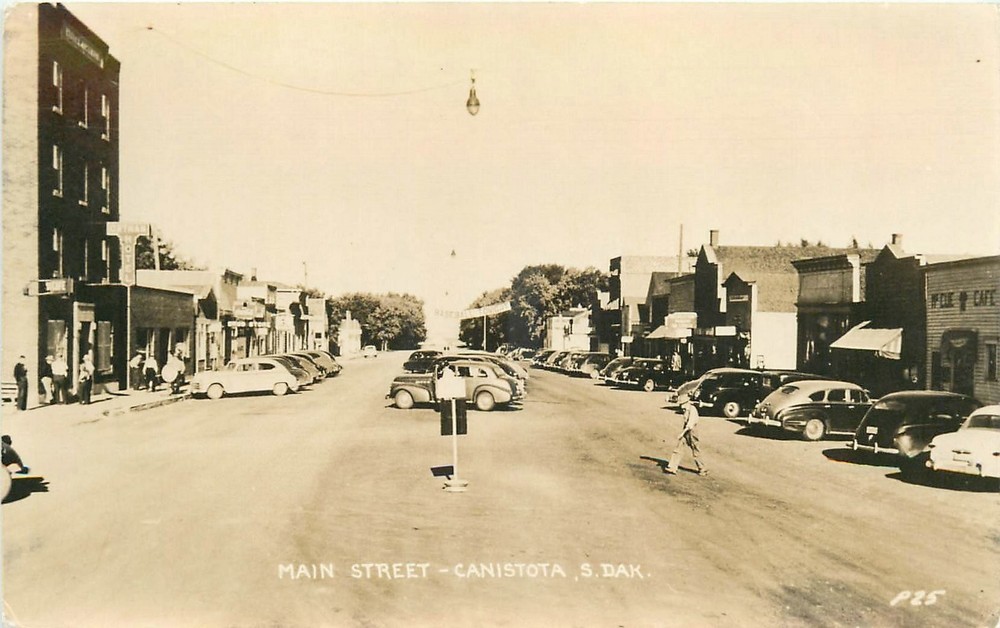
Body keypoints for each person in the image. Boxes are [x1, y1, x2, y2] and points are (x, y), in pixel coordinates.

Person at [665, 398, 708, 476]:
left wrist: (682, 433)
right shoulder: (686, 410)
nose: (681, 406)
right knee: (679, 448)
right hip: (686, 430)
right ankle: (672, 467)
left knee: (695, 450)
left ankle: (702, 468)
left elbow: (690, 425)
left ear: (687, 403)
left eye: (682, 404)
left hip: (692, 432)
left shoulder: (693, 410)